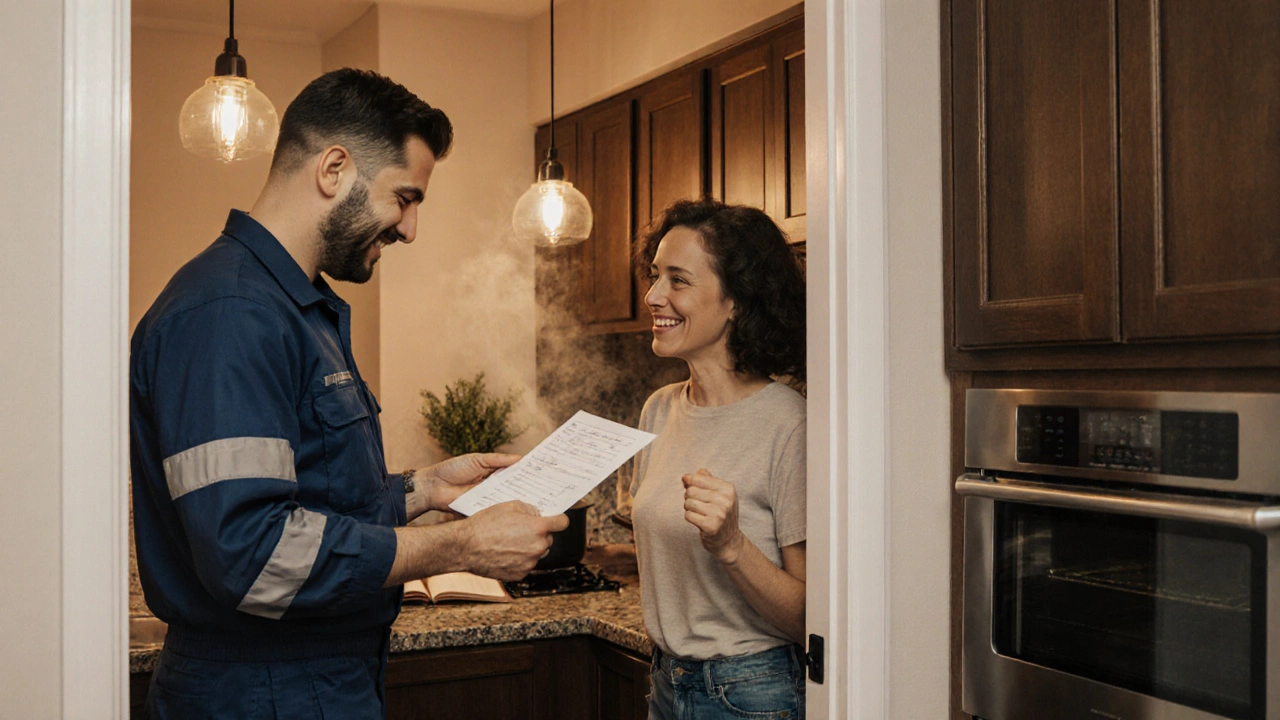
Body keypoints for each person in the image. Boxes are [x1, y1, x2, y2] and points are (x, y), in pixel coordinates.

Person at [130, 68, 567, 719]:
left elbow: (313, 491)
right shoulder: (229, 313)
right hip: (262, 690)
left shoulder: (298, 308)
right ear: (334, 169)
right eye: (405, 197)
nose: (411, 228)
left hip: (316, 679)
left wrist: (426, 489)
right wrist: (461, 545)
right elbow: (254, 555)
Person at [630, 198, 808, 720]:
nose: (653, 295)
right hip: (665, 682)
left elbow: (810, 620)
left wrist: (731, 545)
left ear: (735, 301)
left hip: (751, 694)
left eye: (677, 280)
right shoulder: (658, 411)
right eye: (655, 275)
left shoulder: (788, 423)